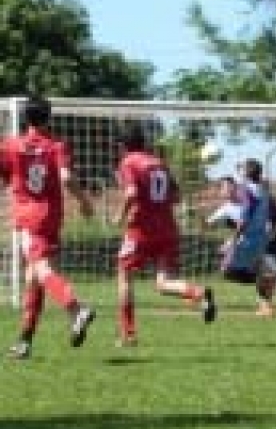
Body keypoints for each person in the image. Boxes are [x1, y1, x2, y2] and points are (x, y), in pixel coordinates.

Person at [0, 96, 96, 359]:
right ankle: (24, 342)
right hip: (52, 216)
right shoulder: (57, 146)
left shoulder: (10, 145)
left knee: (42, 271)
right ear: (48, 118)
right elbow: (66, 177)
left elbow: (5, 178)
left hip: (28, 218)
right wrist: (85, 201)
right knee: (33, 279)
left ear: (25, 119)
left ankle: (76, 310)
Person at [114, 124, 216, 347]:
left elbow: (131, 193)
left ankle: (128, 334)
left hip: (141, 229)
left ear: (123, 146)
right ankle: (198, 293)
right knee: (163, 283)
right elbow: (177, 196)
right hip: (168, 228)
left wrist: (120, 216)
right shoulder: (159, 163)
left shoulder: (129, 162)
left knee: (124, 275)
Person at [204, 174, 276, 317]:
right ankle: (268, 301)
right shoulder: (226, 208)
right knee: (232, 272)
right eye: (222, 188)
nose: (225, 191)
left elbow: (275, 216)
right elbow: (207, 223)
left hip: (264, 243)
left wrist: (269, 233)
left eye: (227, 187)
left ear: (235, 186)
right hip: (250, 245)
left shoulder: (253, 200)